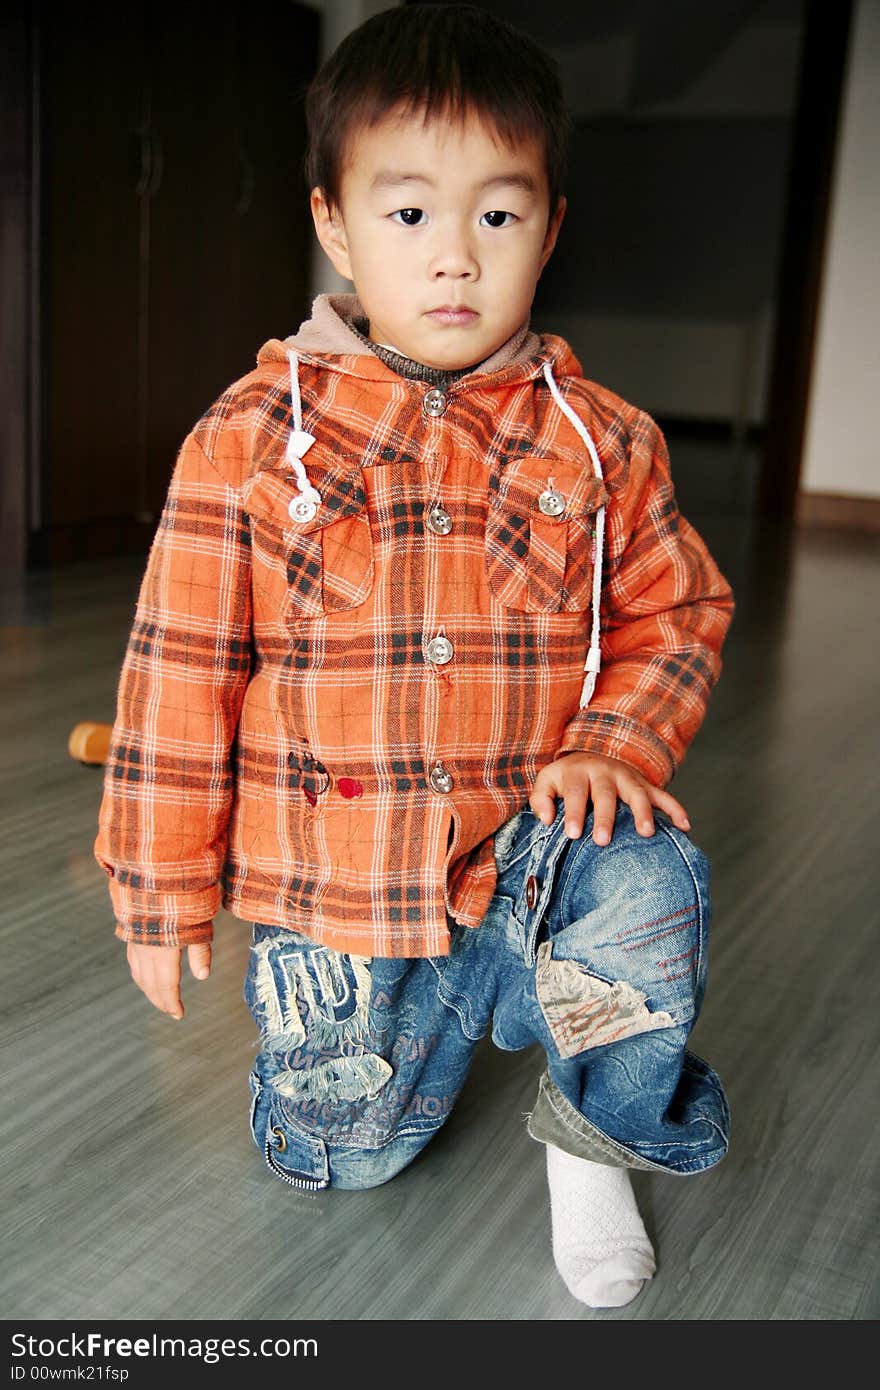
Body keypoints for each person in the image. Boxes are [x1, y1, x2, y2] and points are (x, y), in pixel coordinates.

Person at [94, 3, 735, 1310]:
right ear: (333, 221)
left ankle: (589, 1122)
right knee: (340, 1161)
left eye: (497, 217)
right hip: (343, 902)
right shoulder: (250, 438)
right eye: (409, 218)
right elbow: (177, 673)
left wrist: (617, 741)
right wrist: (158, 890)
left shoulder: (601, 442)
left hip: (530, 858)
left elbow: (678, 612)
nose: (456, 259)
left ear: (550, 227)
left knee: (652, 869)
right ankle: (427, 1045)